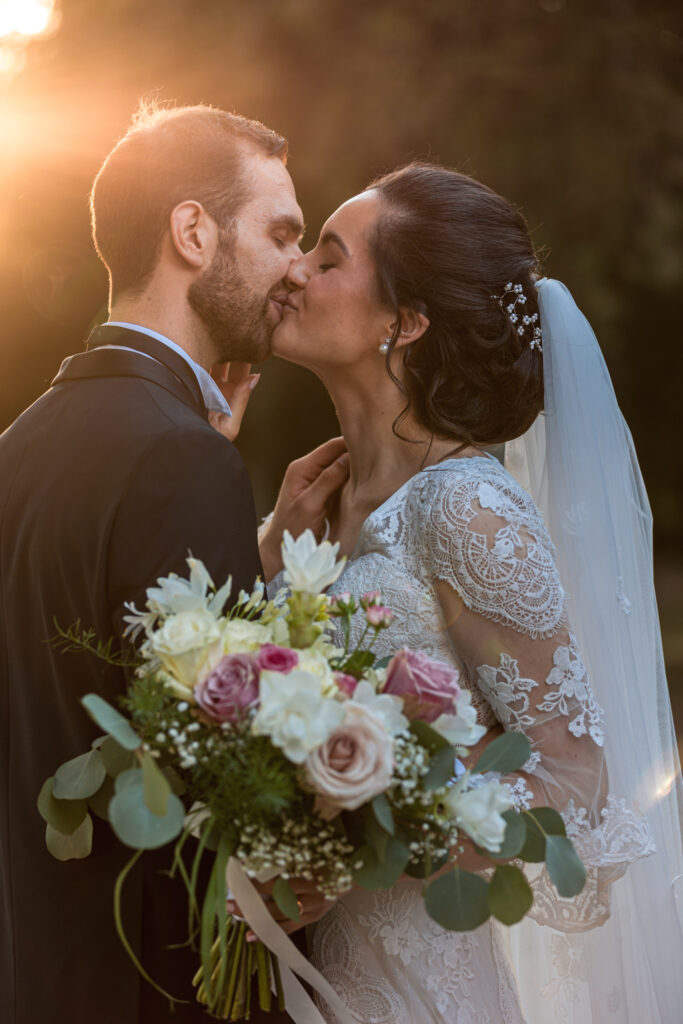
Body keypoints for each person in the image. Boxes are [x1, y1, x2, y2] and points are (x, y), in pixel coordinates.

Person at [260, 163, 683, 1022]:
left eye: (329, 258)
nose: (295, 269)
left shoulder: (466, 507)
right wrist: (277, 570)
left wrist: (344, 850)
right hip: (302, 972)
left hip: (415, 988)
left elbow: (573, 781)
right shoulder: (317, 505)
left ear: (405, 322)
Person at [0, 103, 349, 1024]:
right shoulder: (177, 456)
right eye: (280, 233)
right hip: (156, 985)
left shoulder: (23, 442)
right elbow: (221, 795)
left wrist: (252, 549)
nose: (295, 268)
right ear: (192, 232)